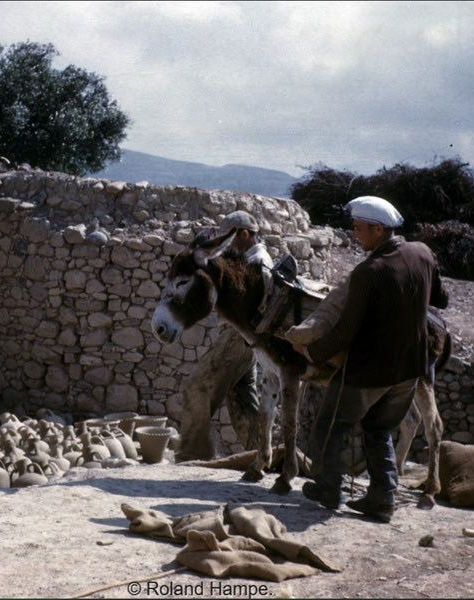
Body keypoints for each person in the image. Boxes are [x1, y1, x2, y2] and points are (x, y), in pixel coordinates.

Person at [291, 196, 448, 522]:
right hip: (410, 368)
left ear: (378, 229)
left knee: (330, 425)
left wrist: (311, 352)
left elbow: (346, 330)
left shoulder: (368, 272)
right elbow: (440, 299)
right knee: (379, 429)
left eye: (359, 228)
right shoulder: (422, 253)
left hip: (369, 370)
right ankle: (382, 499)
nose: (354, 233)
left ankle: (329, 489)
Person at [176, 210, 275, 461]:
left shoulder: (257, 262)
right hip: (245, 339)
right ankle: (262, 456)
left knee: (198, 385)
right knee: (241, 397)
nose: (225, 247)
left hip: (239, 336)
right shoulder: (251, 259)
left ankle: (192, 455)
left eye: (229, 240)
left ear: (245, 234)